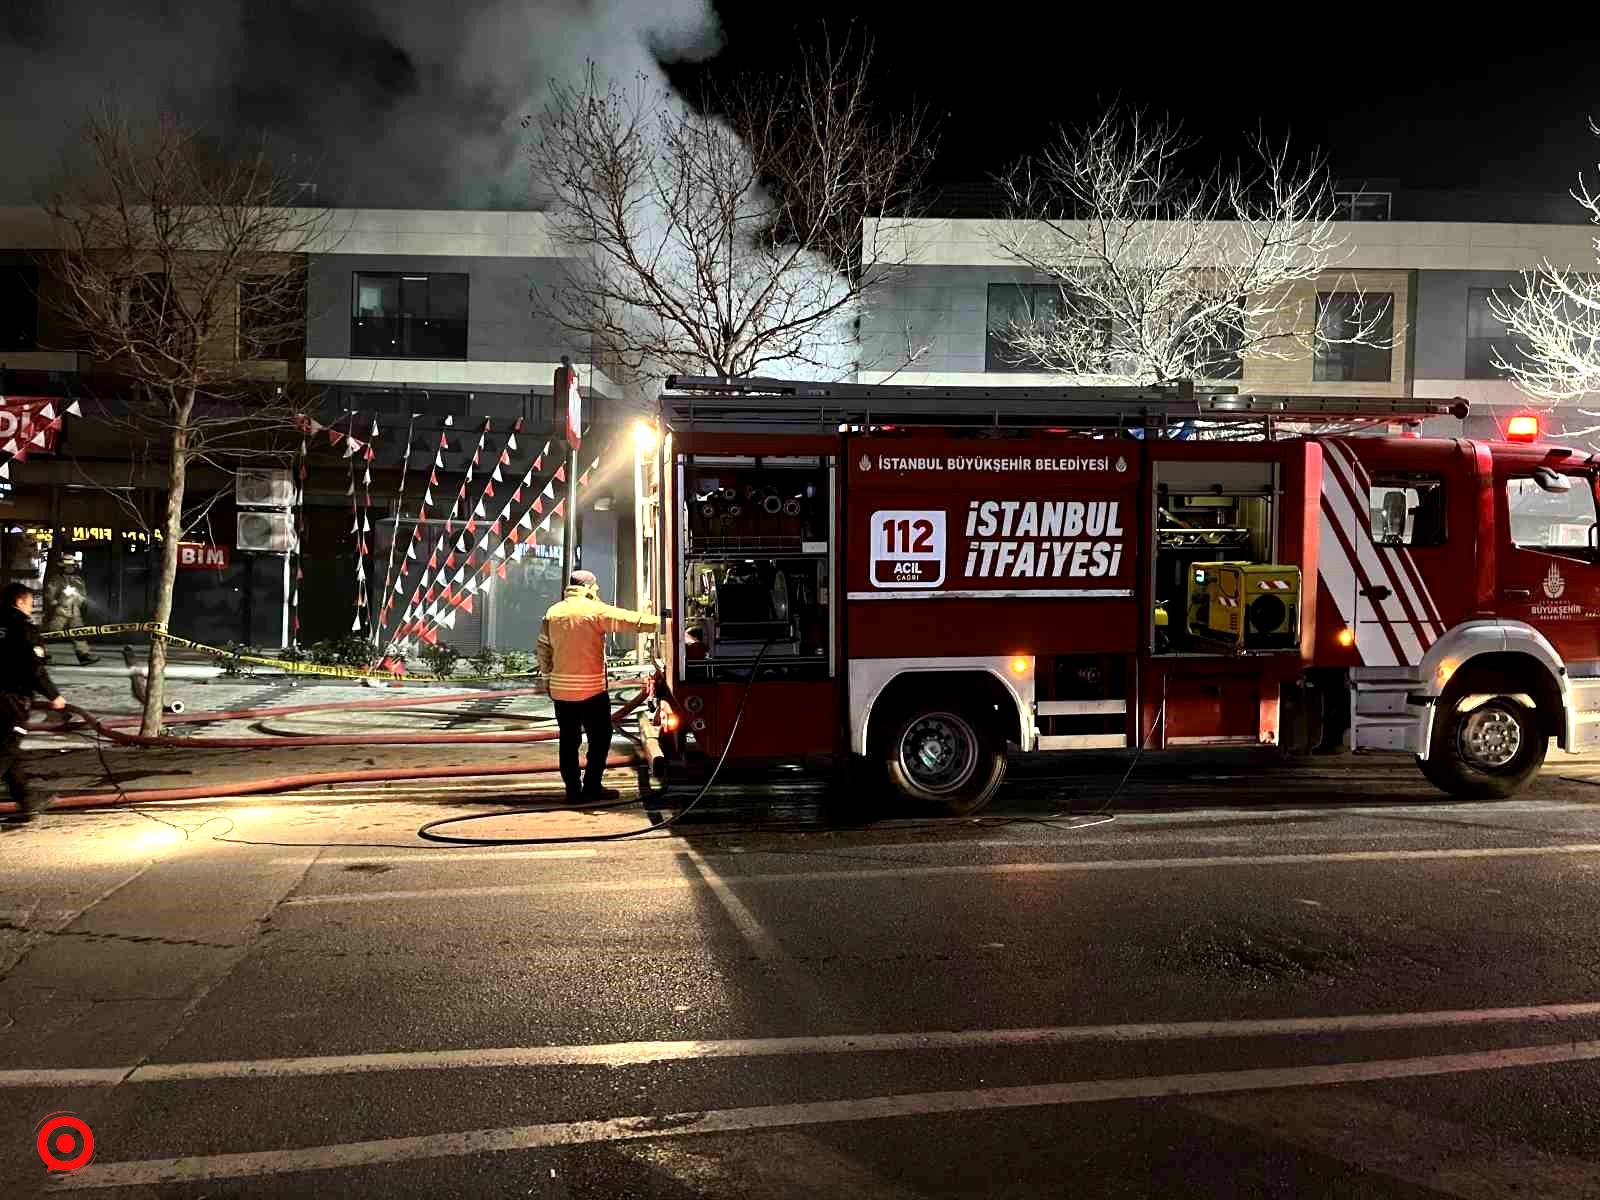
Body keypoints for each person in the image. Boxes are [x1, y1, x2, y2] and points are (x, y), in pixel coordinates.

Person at [536, 570, 656, 801]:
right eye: (596, 587)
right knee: (600, 738)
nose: (598, 591)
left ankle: (572, 791)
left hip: (561, 692)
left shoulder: (553, 612)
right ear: (589, 587)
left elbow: (543, 648)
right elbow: (631, 621)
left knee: (569, 741)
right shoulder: (595, 610)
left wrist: (548, 679)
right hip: (592, 692)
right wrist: (664, 622)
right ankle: (592, 787)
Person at [0, 582, 67, 824]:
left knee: (10, 751)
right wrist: (54, 696)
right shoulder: (24, 629)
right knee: (6, 751)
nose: (31, 606)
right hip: (12, 698)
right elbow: (34, 669)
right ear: (20, 601)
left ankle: (26, 803)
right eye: (29, 602)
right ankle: (26, 802)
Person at [42, 550, 98, 665]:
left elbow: (83, 595)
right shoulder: (56, 580)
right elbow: (49, 595)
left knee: (79, 632)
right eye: (68, 566)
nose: (70, 568)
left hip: (74, 612)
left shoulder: (78, 580)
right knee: (50, 634)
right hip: (60, 612)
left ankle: (84, 655)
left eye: (71, 566)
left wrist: (79, 599)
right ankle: (39, 654)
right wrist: (58, 601)